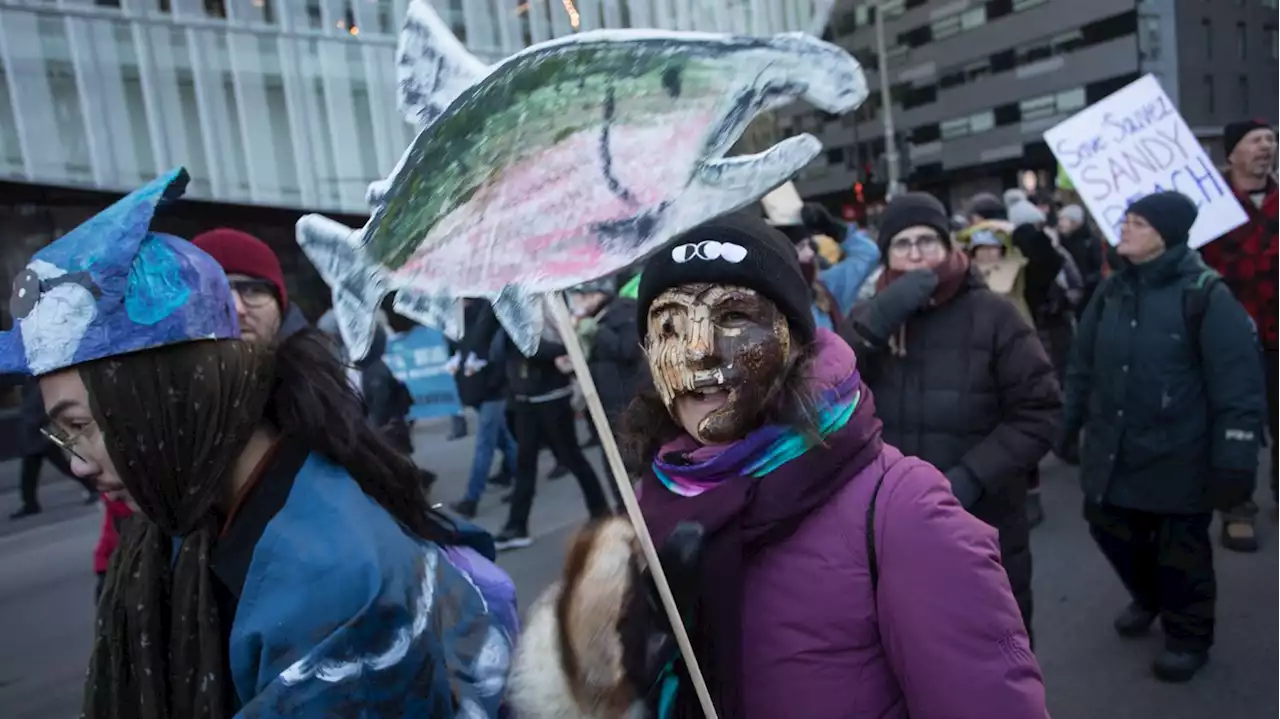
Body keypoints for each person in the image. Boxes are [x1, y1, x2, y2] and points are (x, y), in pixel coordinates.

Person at [4, 170, 516, 717]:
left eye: (79, 425)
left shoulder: (335, 588)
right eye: (60, 433)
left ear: (171, 394)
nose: (77, 464)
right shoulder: (196, 515)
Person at [508, 213, 1048, 719]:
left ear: (794, 339)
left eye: (735, 317)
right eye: (670, 327)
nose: (698, 352)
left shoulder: (902, 509)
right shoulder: (652, 505)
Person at [1060, 191, 1264, 683]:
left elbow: (1238, 383)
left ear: (1165, 235)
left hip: (1180, 451)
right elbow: (1081, 366)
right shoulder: (1110, 291)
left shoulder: (1205, 295)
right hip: (1114, 447)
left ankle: (1188, 636)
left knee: (1182, 550)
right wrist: (1065, 427)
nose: (1123, 230)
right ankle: (1149, 596)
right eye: (1125, 220)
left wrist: (1236, 458)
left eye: (1137, 223)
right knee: (1108, 525)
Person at [840, 193, 1061, 633]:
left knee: (993, 648)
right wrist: (876, 321)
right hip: (892, 523)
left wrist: (971, 477)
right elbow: (825, 396)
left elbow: (1041, 410)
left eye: (928, 240)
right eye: (903, 244)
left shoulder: (994, 315)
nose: (916, 253)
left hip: (980, 517)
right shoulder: (870, 317)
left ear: (949, 246)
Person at [463, 297, 613, 550]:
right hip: (524, 397)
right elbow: (481, 342)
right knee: (525, 463)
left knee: (571, 457)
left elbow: (543, 347)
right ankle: (517, 525)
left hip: (551, 394)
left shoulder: (540, 301)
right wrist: (493, 307)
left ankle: (601, 512)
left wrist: (544, 345)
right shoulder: (501, 307)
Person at [1197, 118, 1280, 552]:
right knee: (1236, 425)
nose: (1266, 147)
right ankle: (1237, 507)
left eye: (1271, 139)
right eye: (1256, 141)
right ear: (1232, 154)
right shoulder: (1208, 203)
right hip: (1228, 336)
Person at [449, 299, 519, 518]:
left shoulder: (488, 314)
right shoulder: (461, 320)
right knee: (504, 441)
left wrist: (492, 382)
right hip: (478, 389)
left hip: (491, 390)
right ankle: (523, 479)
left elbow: (497, 352)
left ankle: (472, 498)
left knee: (485, 444)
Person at [191, 228, 309, 345]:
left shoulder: (320, 361)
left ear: (280, 305)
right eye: (212, 292)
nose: (236, 309)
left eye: (253, 291)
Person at [10, 377, 96, 518]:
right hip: (33, 438)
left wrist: (35, 422)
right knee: (29, 474)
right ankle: (30, 503)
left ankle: (92, 488)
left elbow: (45, 409)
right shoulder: (27, 387)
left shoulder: (40, 386)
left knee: (63, 467)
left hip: (42, 436)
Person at [792, 203, 881, 331]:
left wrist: (836, 231)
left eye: (810, 244)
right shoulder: (771, 305)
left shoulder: (827, 285)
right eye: (800, 247)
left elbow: (869, 254)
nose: (810, 252)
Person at [1057, 204, 1109, 315]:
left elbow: (1098, 266)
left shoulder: (1090, 241)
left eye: (1063, 219)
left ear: (1075, 222)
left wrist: (1087, 281)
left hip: (1088, 293)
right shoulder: (1059, 241)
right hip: (1068, 292)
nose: (1060, 223)